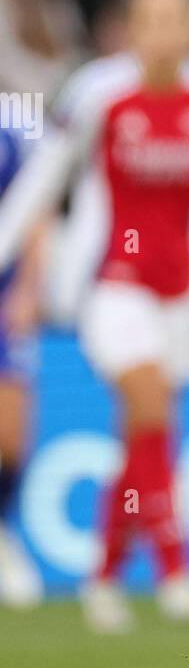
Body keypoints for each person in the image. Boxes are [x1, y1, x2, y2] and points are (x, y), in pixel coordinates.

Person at [0, 0, 189, 631]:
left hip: (179, 289)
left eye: (176, 18)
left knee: (146, 434)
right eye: (151, 18)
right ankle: (176, 571)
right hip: (112, 282)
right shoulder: (99, 93)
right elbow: (45, 178)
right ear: (132, 30)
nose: (164, 31)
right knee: (150, 404)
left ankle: (102, 577)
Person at [0, 125, 44, 608]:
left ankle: (2, 532)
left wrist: (30, 289)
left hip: (3, 301)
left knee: (11, 436)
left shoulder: (11, 136)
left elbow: (36, 212)